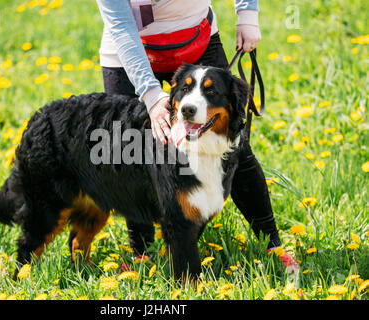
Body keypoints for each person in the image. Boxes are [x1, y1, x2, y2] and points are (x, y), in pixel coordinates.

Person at [96, 0, 298, 271]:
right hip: (131, 52)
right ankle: (141, 253)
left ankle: (273, 245)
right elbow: (120, 25)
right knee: (134, 149)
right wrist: (151, 94)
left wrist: (247, 13)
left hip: (197, 38)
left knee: (238, 151)